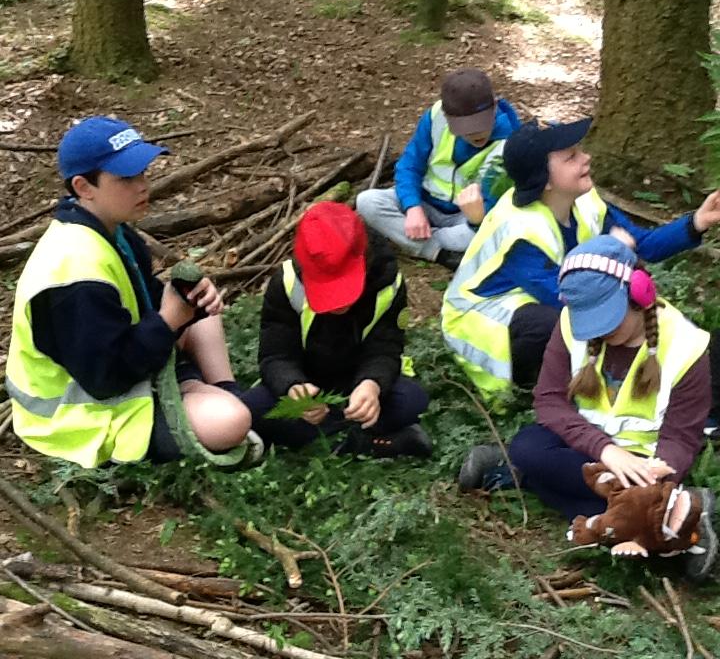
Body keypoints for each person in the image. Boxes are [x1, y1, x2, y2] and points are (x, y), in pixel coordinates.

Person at [5, 116, 258, 469]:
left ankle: (223, 390)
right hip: (88, 413)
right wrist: (169, 321)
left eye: (142, 173)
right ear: (84, 186)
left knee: (203, 313)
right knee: (230, 421)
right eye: (126, 178)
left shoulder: (115, 231)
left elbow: (142, 300)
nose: (142, 186)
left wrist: (186, 298)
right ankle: (211, 400)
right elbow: (106, 379)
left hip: (134, 362)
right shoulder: (74, 274)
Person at [460, 235, 717, 580]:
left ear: (639, 293)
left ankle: (664, 514)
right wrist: (606, 451)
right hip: (585, 452)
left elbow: (682, 438)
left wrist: (657, 475)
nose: (600, 331)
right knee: (528, 446)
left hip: (643, 467)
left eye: (608, 318)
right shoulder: (570, 323)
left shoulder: (686, 347)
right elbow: (549, 401)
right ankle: (666, 519)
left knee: (634, 504)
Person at [442, 118, 720, 392]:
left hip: (540, 298)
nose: (586, 158)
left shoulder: (586, 203)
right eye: (571, 157)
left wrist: (698, 221)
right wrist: (619, 259)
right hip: (482, 319)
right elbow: (570, 300)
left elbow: (643, 244)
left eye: (580, 150)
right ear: (543, 180)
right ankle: (537, 389)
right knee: (556, 325)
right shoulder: (519, 232)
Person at [240, 201, 432, 458]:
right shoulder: (286, 284)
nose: (339, 304)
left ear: (364, 261)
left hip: (357, 383)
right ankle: (365, 441)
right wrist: (293, 387)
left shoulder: (388, 283)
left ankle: (327, 438)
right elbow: (275, 356)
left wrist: (372, 385)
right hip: (310, 383)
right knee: (248, 410)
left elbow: (386, 348)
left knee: (412, 400)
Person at [356, 68, 521, 270]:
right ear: (446, 115)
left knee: (490, 233)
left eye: (480, 123)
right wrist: (412, 207)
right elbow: (410, 164)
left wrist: (476, 220)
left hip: (464, 218)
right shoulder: (435, 117)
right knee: (367, 202)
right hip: (425, 202)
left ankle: (418, 241)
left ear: (494, 107)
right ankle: (437, 252)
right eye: (464, 127)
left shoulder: (511, 143)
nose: (475, 133)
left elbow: (492, 208)